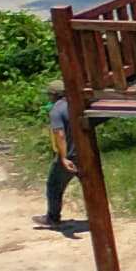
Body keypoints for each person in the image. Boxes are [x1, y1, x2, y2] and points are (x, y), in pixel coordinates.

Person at [43, 88, 74, 228]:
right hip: (86, 154)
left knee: (54, 185)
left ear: (55, 94)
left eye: (49, 93)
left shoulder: (56, 110)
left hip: (70, 156)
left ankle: (53, 218)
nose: (48, 96)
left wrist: (63, 157)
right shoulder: (75, 105)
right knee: (91, 187)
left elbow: (60, 135)